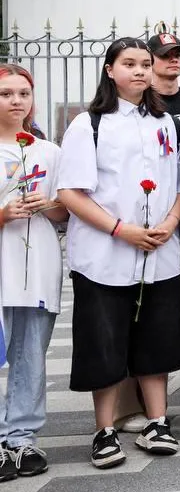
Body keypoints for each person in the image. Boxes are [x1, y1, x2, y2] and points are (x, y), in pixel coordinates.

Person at [56, 38, 180, 468]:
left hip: (160, 250)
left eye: (145, 64)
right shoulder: (89, 124)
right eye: (128, 63)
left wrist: (169, 223)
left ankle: (157, 421)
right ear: (110, 70)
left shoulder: (164, 123)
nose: (139, 71)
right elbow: (71, 193)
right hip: (105, 254)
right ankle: (105, 429)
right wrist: (120, 229)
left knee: (157, 339)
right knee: (105, 342)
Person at [0, 64, 69, 478]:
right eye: (6, 94)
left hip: (37, 266)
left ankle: (22, 439)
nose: (16, 101)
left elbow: (65, 211)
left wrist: (49, 206)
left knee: (31, 357)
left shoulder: (49, 152)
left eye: (23, 93)